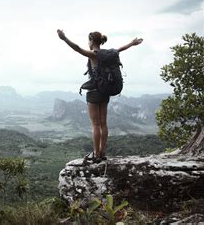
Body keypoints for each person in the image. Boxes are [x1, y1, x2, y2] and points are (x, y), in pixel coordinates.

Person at [56, 29, 143, 163]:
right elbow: (120, 49)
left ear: (91, 41)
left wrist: (64, 38)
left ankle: (96, 154)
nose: (88, 43)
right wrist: (132, 43)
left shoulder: (93, 54)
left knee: (95, 124)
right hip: (105, 91)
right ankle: (102, 152)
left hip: (94, 93)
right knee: (103, 123)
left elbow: (77, 48)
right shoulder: (109, 54)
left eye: (88, 40)